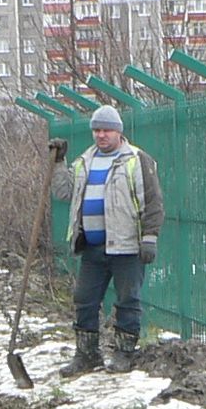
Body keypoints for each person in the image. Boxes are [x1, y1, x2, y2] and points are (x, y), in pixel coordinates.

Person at [51, 105, 163, 376]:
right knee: (85, 300)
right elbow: (63, 192)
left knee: (128, 300)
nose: (101, 135)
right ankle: (87, 355)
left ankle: (124, 354)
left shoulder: (137, 160)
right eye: (97, 130)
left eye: (106, 130)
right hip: (92, 247)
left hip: (127, 246)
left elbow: (153, 202)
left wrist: (149, 237)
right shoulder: (85, 161)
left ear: (118, 132)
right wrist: (57, 163)